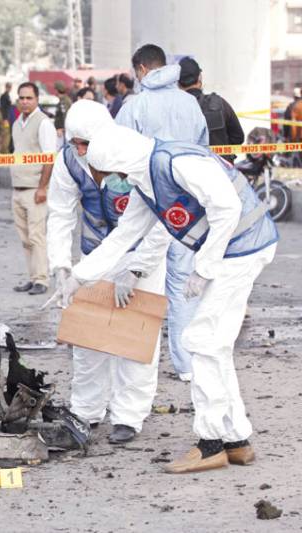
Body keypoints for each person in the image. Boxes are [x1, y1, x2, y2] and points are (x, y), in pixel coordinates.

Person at [56, 123, 277, 473]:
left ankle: (210, 445)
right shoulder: (145, 181)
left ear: (122, 162)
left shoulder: (174, 163)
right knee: (214, 345)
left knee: (201, 341)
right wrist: (78, 276)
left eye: (113, 173)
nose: (114, 181)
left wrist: (204, 267)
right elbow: (123, 238)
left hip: (243, 248)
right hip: (232, 251)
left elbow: (226, 207)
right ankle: (237, 441)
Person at [48, 100, 170, 444]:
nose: (81, 151)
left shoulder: (136, 155)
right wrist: (60, 265)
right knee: (88, 341)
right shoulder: (69, 161)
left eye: (86, 144)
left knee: (135, 339)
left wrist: (138, 268)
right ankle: (86, 411)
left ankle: (129, 417)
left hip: (140, 255)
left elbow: (162, 220)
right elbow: (59, 212)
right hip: (94, 258)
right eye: (76, 143)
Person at [115, 43, 209, 382]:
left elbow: (119, 159)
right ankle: (186, 365)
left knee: (141, 286)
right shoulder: (190, 104)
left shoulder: (134, 106)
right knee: (183, 284)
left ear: (140, 69)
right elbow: (204, 152)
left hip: (149, 205)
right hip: (187, 207)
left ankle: (141, 366)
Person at [10, 82, 57, 296]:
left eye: (29, 98)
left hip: (34, 189)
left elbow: (49, 159)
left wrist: (43, 188)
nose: (25, 101)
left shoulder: (43, 123)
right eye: (21, 98)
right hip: (17, 188)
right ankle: (32, 277)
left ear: (37, 99)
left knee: (37, 236)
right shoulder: (17, 123)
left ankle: (42, 279)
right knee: (25, 238)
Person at [178, 57, 244, 163]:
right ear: (200, 78)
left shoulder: (174, 109)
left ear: (178, 83)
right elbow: (238, 137)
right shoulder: (219, 103)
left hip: (187, 174)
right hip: (221, 171)